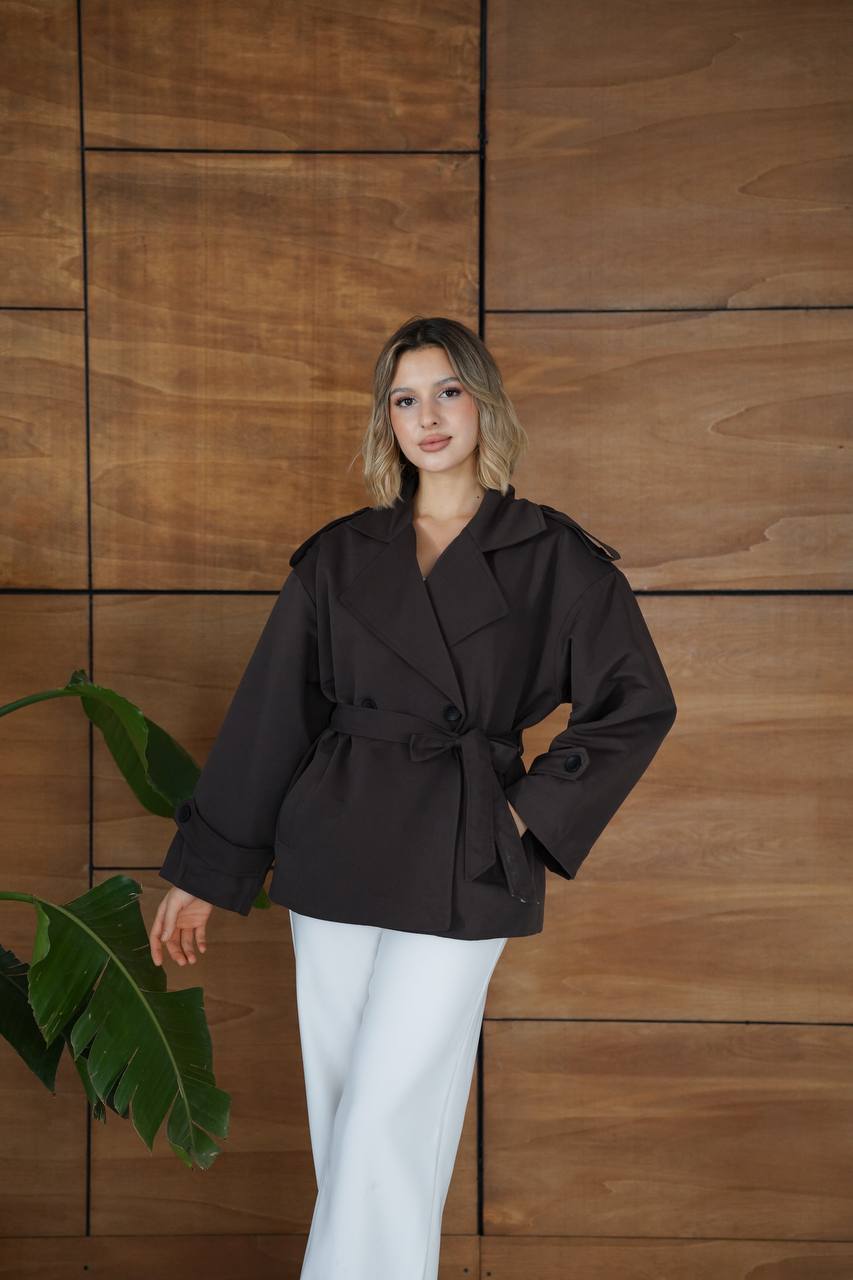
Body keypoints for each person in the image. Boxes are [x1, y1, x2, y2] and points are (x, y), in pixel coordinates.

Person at [148, 315, 677, 1278]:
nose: (427, 417)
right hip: (335, 843)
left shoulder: (553, 556)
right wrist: (204, 871)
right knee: (348, 1113)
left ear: (483, 403)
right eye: (404, 399)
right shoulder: (340, 557)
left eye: (447, 392)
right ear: (385, 420)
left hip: (464, 849)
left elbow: (634, 702)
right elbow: (271, 719)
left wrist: (523, 813)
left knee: (389, 1112)